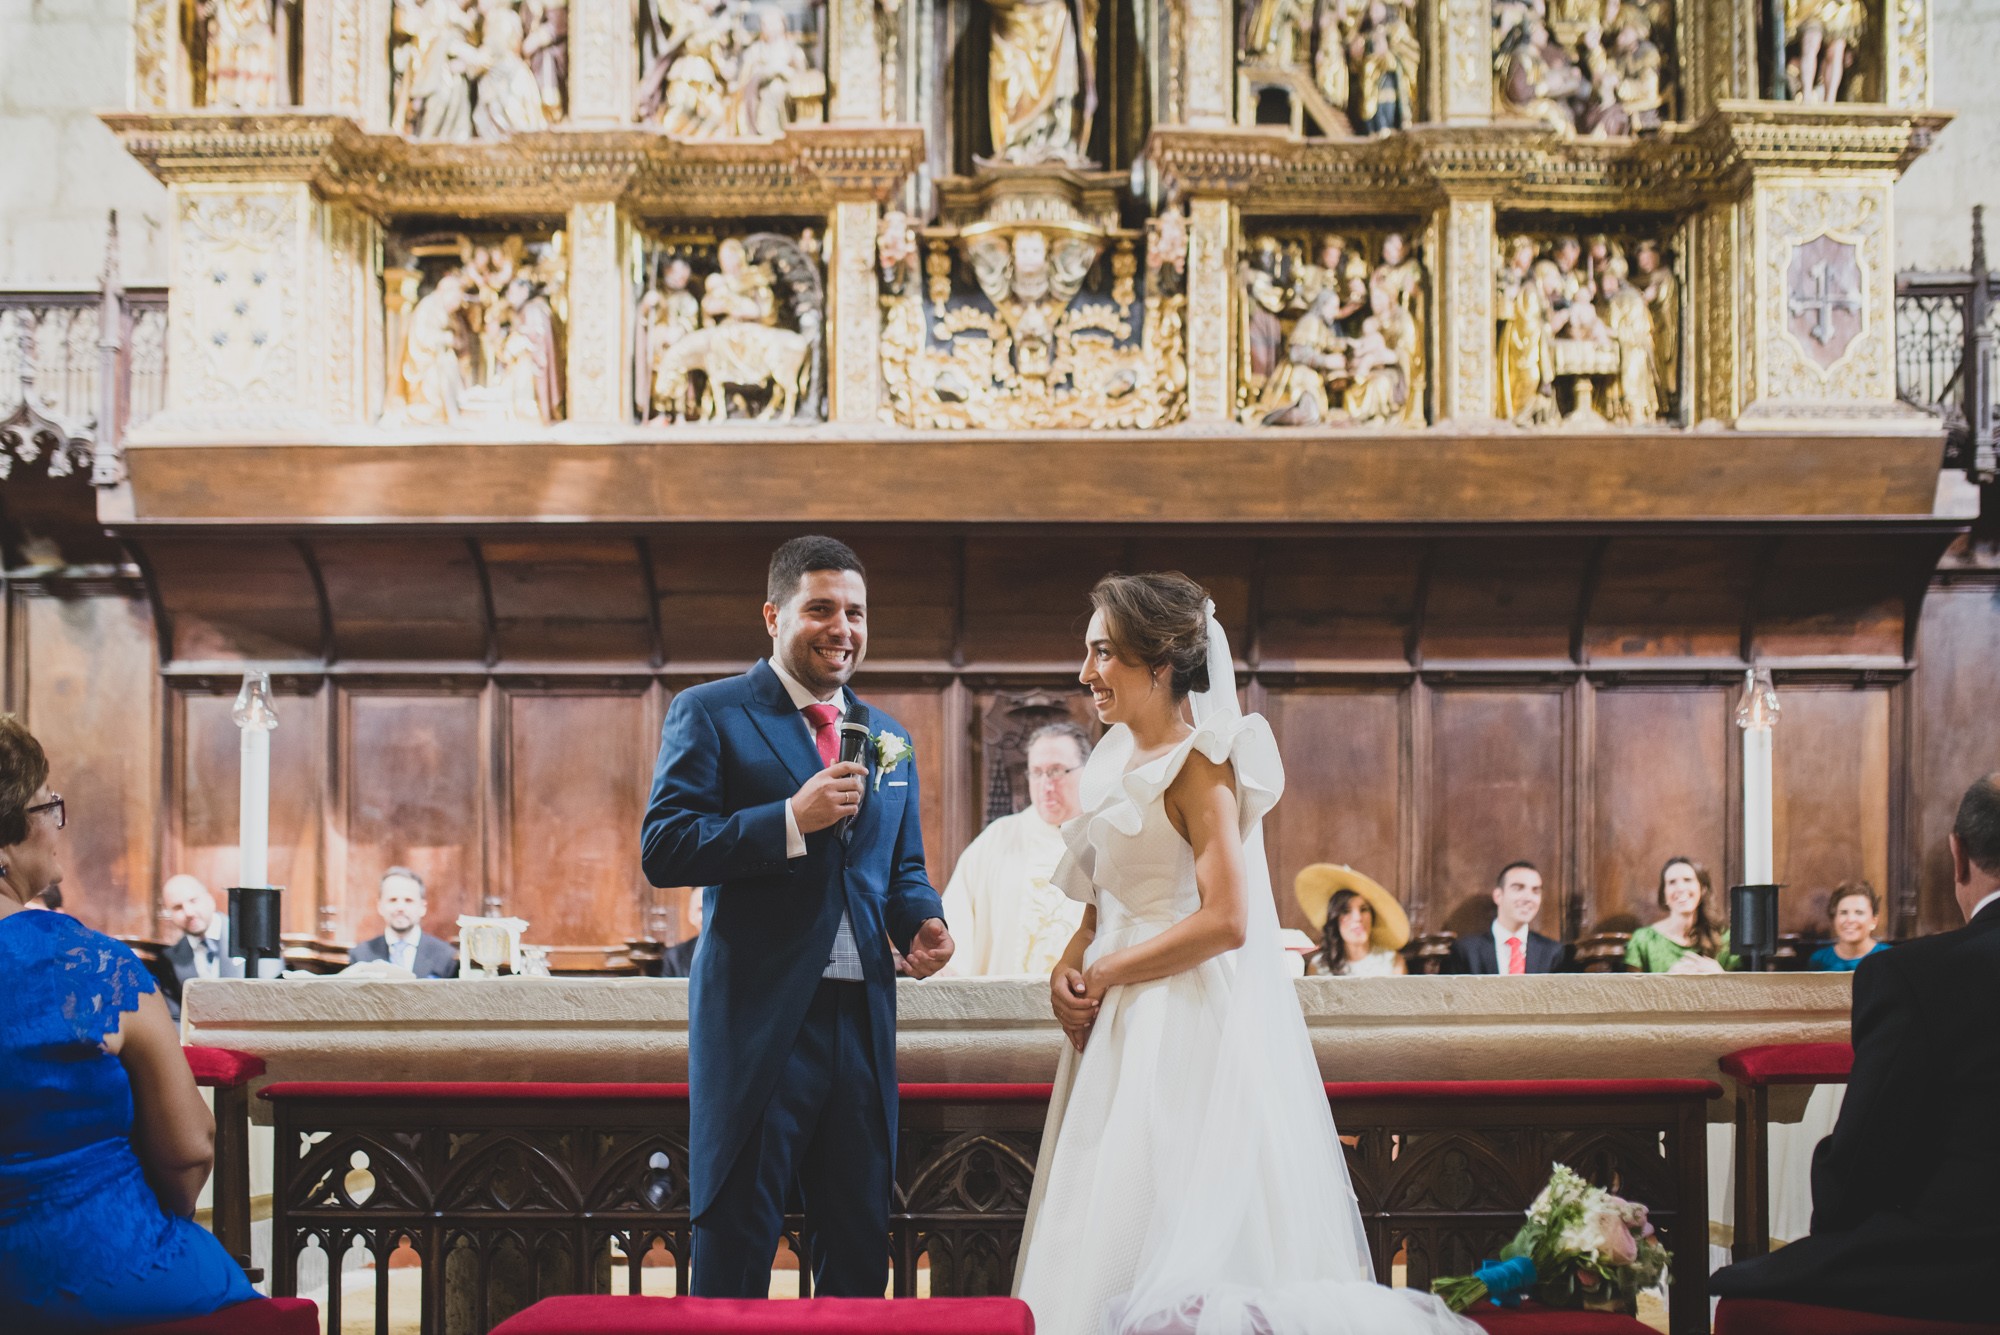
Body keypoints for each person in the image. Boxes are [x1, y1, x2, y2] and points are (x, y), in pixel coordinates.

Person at [1014, 573, 1473, 1335]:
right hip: (1113, 1029)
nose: (1086, 671)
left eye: (1102, 652)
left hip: (1179, 1021)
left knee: (1178, 1222)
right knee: (1095, 1220)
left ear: (1158, 661)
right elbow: (1100, 907)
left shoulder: (1204, 762)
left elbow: (1228, 920)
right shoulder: (1107, 765)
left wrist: (1106, 971)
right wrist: (1068, 968)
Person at [642, 535, 953, 1298]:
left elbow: (899, 866)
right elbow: (665, 846)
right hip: (760, 1019)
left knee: (854, 1245)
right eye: (821, 608)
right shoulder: (712, 713)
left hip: (862, 1019)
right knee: (737, 1245)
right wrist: (787, 817)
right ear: (774, 615)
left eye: (855, 611)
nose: (841, 626)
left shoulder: (891, 739)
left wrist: (922, 920)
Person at [0, 715, 261, 1328]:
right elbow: (189, 1152)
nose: (56, 827)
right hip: (100, 1274)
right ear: (6, 841)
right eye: (47, 807)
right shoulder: (90, 967)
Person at [1711, 773, 2000, 1322]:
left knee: (1743, 1297)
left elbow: (1864, 1161)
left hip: (1962, 1267)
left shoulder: (1912, 975)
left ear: (1958, 857)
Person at [939, 722, 1091, 977]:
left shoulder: (1102, 836)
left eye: (1056, 771)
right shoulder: (998, 839)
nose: (1046, 784)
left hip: (1084, 1003)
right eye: (1036, 772)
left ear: (1086, 771)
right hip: (1006, 1006)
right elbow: (958, 917)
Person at [1624, 855, 1737, 973]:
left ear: (1702, 889)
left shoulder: (1725, 939)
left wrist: (1720, 976)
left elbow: (1743, 989)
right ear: (1664, 894)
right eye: (1672, 882)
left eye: (1688, 880)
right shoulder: (1643, 940)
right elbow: (1632, 990)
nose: (1680, 888)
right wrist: (1668, 981)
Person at [1450, 860, 1566, 975]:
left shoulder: (1552, 952)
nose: (1528, 898)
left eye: (1535, 891)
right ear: (1498, 896)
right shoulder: (1466, 950)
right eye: (1518, 888)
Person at [1294, 863, 1407, 976]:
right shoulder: (1318, 967)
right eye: (1346, 911)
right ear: (1335, 919)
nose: (1358, 918)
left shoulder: (1392, 962)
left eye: (1364, 909)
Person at [349, 867, 458, 978]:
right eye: (393, 900)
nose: (400, 907)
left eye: (408, 900)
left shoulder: (445, 955)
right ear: (380, 906)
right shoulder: (360, 955)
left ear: (422, 907)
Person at [1808, 881, 1890, 971]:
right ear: (1834, 918)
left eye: (1859, 913)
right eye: (1843, 912)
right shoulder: (1819, 960)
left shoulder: (1888, 957)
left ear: (1873, 921)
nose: (1850, 920)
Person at [658, 887, 704, 978]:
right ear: (691, 915)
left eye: (715, 908)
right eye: (702, 909)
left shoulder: (738, 953)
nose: (710, 915)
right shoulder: (674, 956)